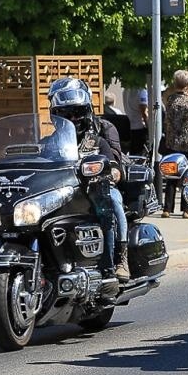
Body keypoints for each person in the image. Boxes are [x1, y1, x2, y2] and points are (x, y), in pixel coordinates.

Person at [47, 77, 131, 281]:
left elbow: (115, 166)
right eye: (65, 114)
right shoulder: (50, 143)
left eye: (76, 113)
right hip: (63, 191)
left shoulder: (99, 138)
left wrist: (109, 174)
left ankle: (120, 258)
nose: (72, 119)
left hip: (96, 189)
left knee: (113, 201)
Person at [161, 70, 188, 215]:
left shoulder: (170, 101)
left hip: (173, 142)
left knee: (172, 175)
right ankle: (186, 209)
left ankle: (167, 208)